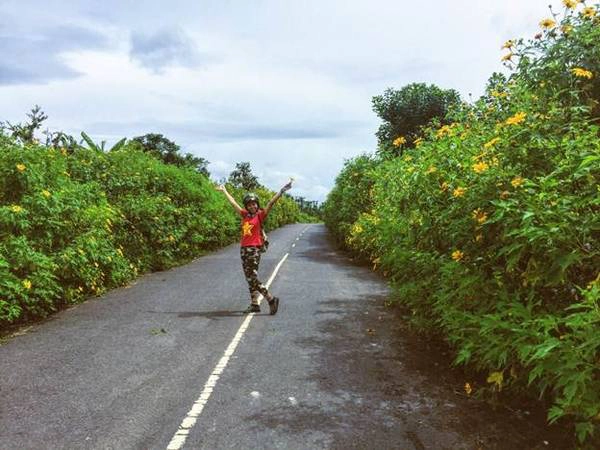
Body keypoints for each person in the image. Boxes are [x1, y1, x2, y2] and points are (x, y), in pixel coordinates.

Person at [216, 180, 293, 314]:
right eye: (250, 204)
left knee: (252, 277)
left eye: (254, 204)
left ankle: (271, 299)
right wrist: (224, 191)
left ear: (257, 205)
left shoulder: (260, 216)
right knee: (249, 277)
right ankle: (254, 304)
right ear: (247, 206)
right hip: (244, 249)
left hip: (254, 249)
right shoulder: (244, 215)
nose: (252, 206)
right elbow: (233, 203)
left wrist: (281, 191)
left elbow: (271, 203)